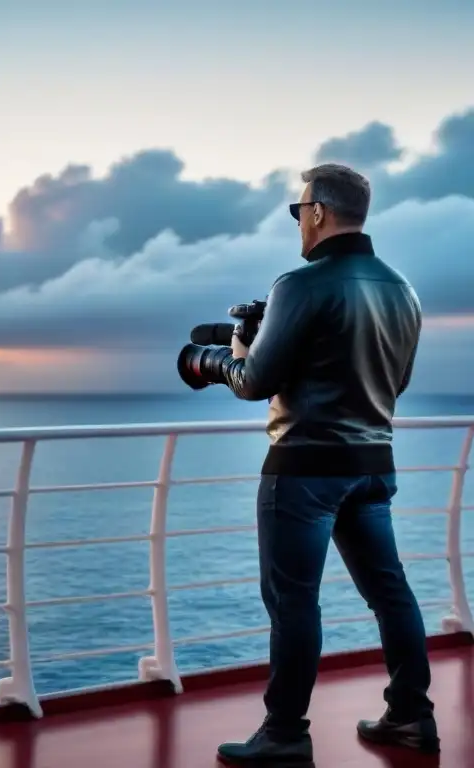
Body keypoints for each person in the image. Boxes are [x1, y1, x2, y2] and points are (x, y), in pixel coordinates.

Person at [199, 163, 437, 765]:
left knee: (293, 601)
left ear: (319, 213)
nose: (298, 221)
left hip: (303, 471)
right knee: (391, 593)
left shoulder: (299, 285)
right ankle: (412, 716)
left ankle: (284, 733)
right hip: (373, 464)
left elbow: (253, 382)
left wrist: (209, 360)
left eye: (298, 210)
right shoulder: (402, 289)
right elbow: (394, 380)